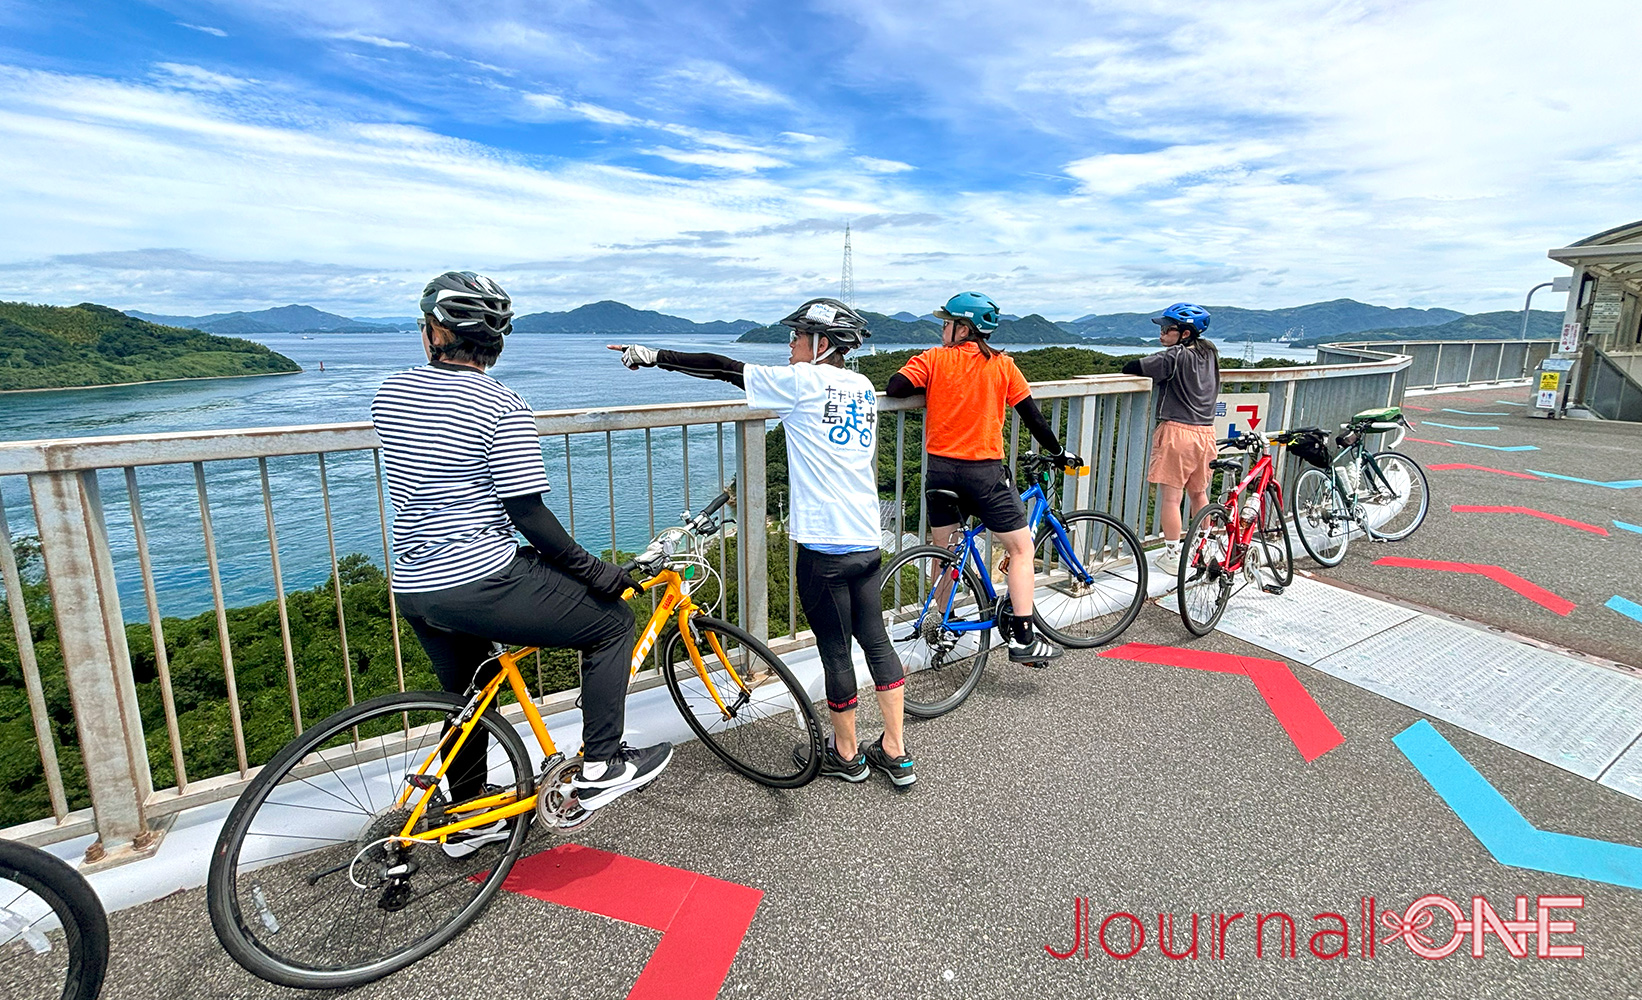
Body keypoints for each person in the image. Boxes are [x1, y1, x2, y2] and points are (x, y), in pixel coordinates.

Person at [372, 271, 672, 855]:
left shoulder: (391, 391)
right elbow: (529, 515)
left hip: (414, 584)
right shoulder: (501, 403)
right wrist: (598, 573)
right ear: (496, 339)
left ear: (436, 333)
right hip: (481, 578)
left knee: (470, 697)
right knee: (612, 624)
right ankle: (605, 762)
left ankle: (467, 817)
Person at [608, 298, 914, 787]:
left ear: (821, 344)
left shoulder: (802, 382)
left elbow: (724, 369)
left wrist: (652, 355)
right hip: (865, 538)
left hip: (823, 544)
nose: (789, 345)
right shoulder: (858, 385)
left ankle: (848, 754)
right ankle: (896, 753)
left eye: (796, 337)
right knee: (876, 642)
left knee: (836, 651)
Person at [884, 292, 1080, 665]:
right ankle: (1023, 638)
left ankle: (943, 624)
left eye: (947, 322)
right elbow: (1033, 416)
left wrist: (935, 384)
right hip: (984, 475)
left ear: (963, 327)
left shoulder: (933, 359)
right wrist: (1056, 452)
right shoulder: (1004, 366)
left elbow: (895, 388)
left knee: (945, 553)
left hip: (939, 471)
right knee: (1021, 549)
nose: (943, 328)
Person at [1120, 303, 1220, 576]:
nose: (1162, 333)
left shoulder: (1174, 357)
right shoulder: (1209, 352)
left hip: (1177, 432)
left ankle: (1173, 555)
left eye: (1168, 329)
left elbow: (1134, 366)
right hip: (1206, 433)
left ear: (1185, 334)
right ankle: (1204, 547)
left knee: (1171, 499)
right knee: (1199, 493)